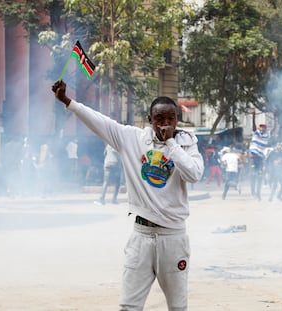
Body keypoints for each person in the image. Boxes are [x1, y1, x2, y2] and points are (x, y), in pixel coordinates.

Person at [52, 79, 204, 310]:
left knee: (177, 307)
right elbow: (99, 121)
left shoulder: (186, 143)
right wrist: (67, 102)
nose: (165, 124)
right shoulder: (132, 138)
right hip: (141, 236)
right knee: (129, 306)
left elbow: (194, 174)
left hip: (173, 237)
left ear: (177, 119)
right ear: (150, 119)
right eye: (159, 119)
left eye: (170, 118)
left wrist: (171, 144)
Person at [248, 122, 270, 201]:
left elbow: (273, 130)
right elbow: (253, 126)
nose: (262, 128)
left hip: (260, 158)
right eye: (261, 127)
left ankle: (258, 193)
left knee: (260, 176)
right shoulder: (256, 133)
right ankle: (253, 192)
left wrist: (275, 118)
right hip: (253, 157)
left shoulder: (267, 136)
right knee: (253, 175)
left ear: (265, 129)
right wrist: (253, 115)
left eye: (263, 127)